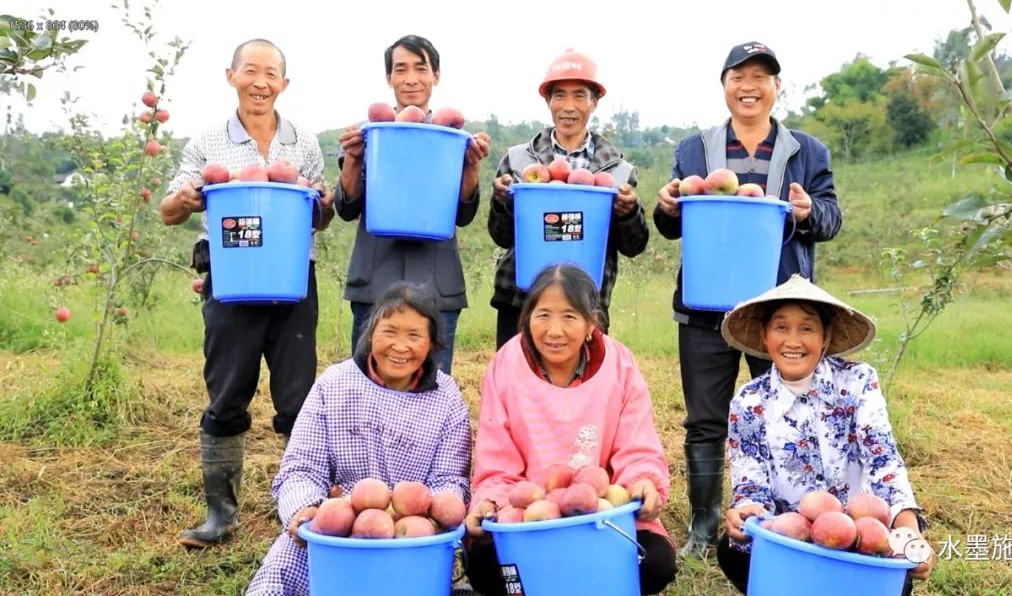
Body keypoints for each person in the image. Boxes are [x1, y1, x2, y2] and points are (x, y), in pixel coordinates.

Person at [652, 40, 842, 555]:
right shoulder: (696, 150)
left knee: (785, 412)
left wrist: (806, 212)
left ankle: (784, 519)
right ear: (724, 87)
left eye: (761, 77)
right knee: (705, 419)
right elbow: (671, 225)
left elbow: (831, 219)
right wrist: (668, 205)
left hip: (781, 312)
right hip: (705, 309)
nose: (749, 86)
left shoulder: (807, 152)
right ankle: (703, 524)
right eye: (739, 76)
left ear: (777, 87)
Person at [160, 38, 336, 549]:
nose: (261, 82)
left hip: (291, 283)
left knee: (298, 400)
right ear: (231, 75)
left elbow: (320, 217)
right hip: (231, 284)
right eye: (251, 71)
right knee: (227, 392)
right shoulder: (208, 142)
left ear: (285, 83)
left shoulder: (303, 142)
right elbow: (169, 210)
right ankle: (220, 515)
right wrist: (188, 197)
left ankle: (302, 510)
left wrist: (321, 201)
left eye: (271, 74)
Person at [245, 282, 473, 596]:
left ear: (433, 343)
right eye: (389, 332)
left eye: (414, 336)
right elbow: (301, 468)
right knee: (280, 576)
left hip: (415, 533)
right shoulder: (335, 384)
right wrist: (305, 510)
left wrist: (425, 514)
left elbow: (451, 479)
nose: (400, 346)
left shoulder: (446, 397)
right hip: (335, 525)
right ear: (370, 333)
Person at [463, 264, 678, 596]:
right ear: (526, 317)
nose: (554, 331)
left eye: (569, 316)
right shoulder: (505, 366)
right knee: (484, 567)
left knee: (654, 564)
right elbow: (497, 461)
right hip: (527, 518)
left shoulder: (618, 364)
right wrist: (491, 501)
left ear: (591, 322)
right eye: (543, 315)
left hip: (602, 517)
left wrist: (643, 482)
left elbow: (637, 446)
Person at [716, 274, 932, 594]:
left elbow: (883, 458)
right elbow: (751, 482)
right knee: (731, 552)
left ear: (825, 337)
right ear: (764, 336)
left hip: (855, 535)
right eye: (781, 327)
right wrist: (746, 512)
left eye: (807, 328)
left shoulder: (857, 382)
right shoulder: (749, 401)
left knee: (895, 575)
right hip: (787, 538)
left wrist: (909, 532)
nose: (793, 341)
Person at [335, 34, 491, 373]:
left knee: (432, 384)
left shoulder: (451, 138)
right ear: (389, 78)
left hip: (438, 283)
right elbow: (346, 208)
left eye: (421, 68)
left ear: (436, 76)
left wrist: (472, 167)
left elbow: (463, 215)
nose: (410, 78)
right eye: (400, 69)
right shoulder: (369, 134)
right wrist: (353, 159)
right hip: (374, 280)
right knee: (367, 382)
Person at [488, 49, 648, 349]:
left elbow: (633, 246)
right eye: (559, 96)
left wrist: (628, 212)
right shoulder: (519, 159)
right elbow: (501, 235)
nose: (568, 107)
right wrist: (502, 201)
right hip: (521, 300)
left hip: (585, 302)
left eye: (579, 96)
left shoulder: (617, 170)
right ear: (547, 100)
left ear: (594, 101)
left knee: (581, 391)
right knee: (519, 387)